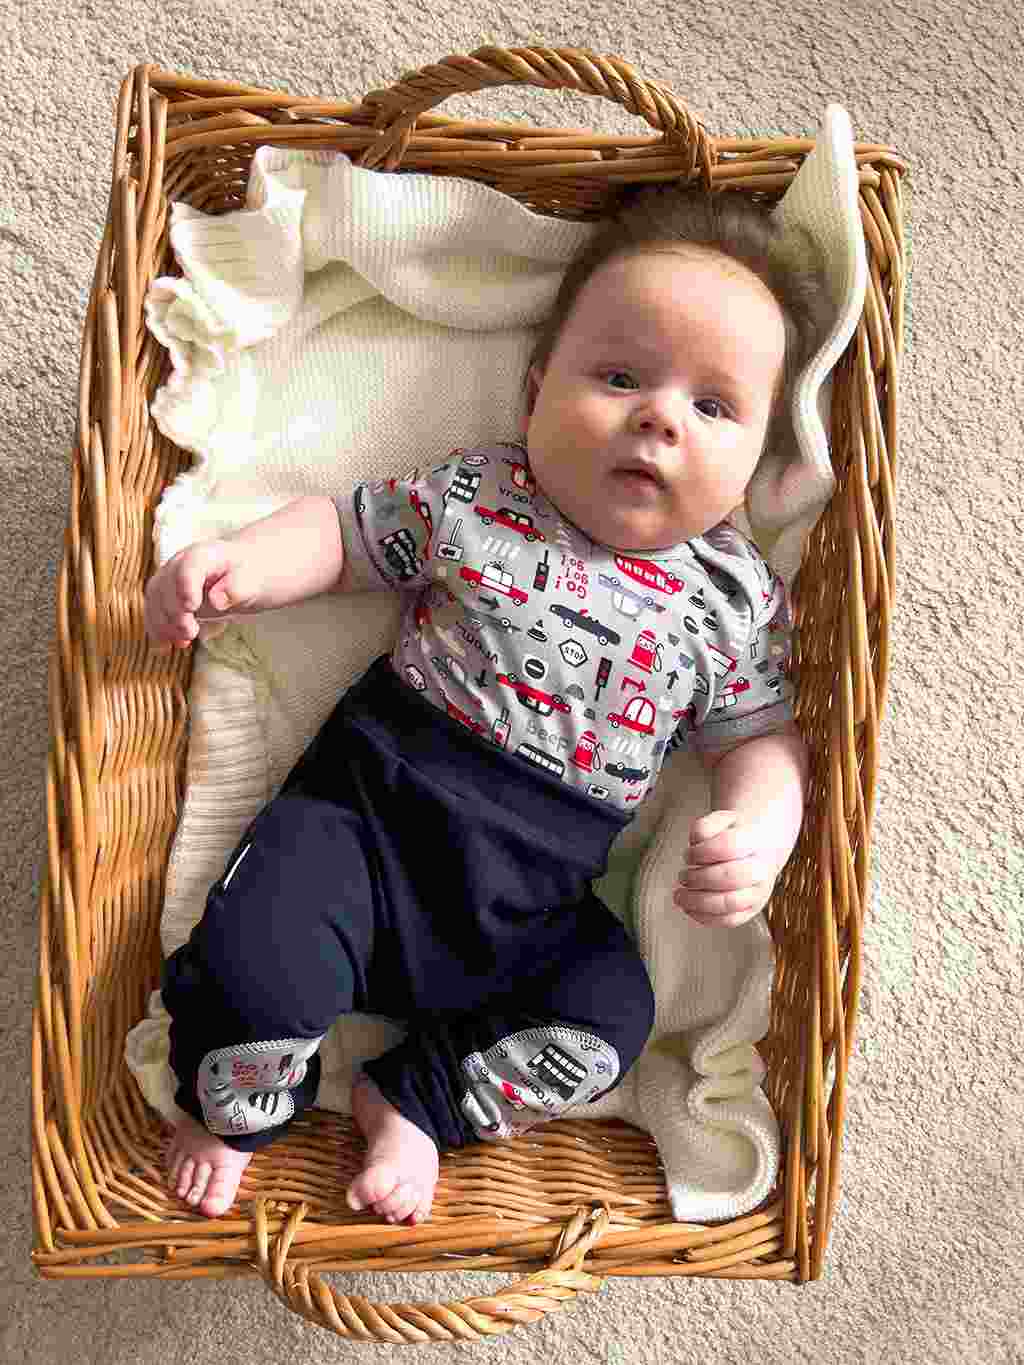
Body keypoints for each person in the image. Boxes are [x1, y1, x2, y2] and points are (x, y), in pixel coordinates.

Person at [144, 185, 827, 1226]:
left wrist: (762, 830)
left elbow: (762, 741)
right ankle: (233, 1110)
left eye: (713, 407)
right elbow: (341, 537)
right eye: (620, 377)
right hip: (359, 834)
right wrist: (241, 563)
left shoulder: (731, 600)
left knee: (610, 1015)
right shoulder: (481, 496)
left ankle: (416, 1098)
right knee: (251, 972)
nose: (658, 417)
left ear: (758, 459)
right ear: (535, 391)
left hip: (530, 911)